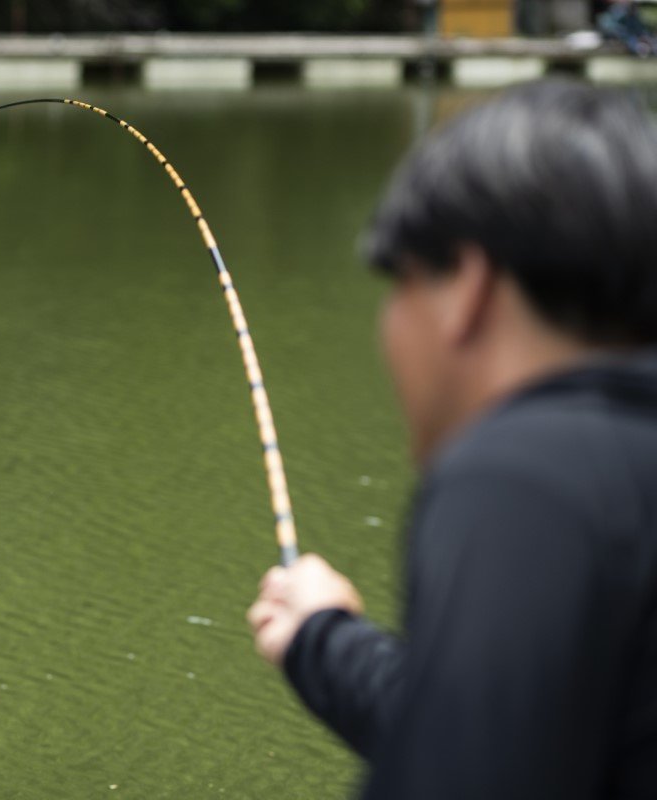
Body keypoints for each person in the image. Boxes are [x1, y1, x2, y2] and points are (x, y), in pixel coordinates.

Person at [247, 79, 657, 798]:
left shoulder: (522, 477)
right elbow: (528, 736)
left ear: (467, 283)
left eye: (399, 283)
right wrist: (324, 643)